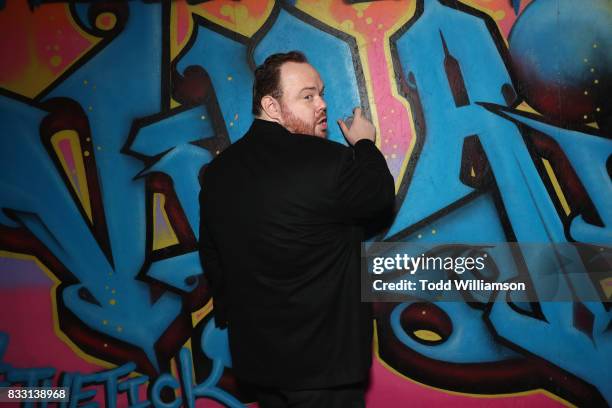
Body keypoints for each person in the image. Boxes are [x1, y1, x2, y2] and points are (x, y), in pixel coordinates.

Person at [199, 51, 395, 407]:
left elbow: (213, 259)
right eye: (307, 96)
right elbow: (379, 197)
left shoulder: (217, 173)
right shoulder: (331, 161)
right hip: (325, 369)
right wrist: (365, 143)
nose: (321, 104)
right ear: (272, 107)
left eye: (321, 93)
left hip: (258, 363)